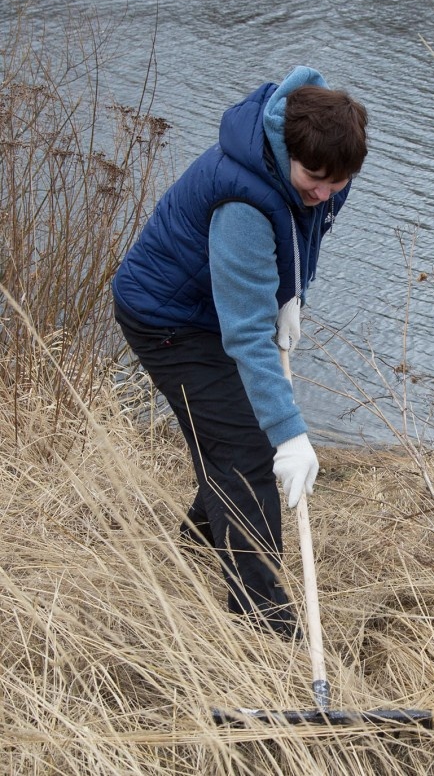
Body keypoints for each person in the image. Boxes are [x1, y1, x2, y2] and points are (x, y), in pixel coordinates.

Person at [112, 66, 368, 638]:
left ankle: (202, 541)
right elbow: (244, 334)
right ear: (285, 151)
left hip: (211, 307)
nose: (326, 193)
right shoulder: (243, 204)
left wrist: (288, 296)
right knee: (248, 450)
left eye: (339, 182)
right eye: (316, 180)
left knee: (225, 434)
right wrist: (291, 433)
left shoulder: (313, 163)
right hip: (168, 320)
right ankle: (264, 622)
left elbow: (301, 232)